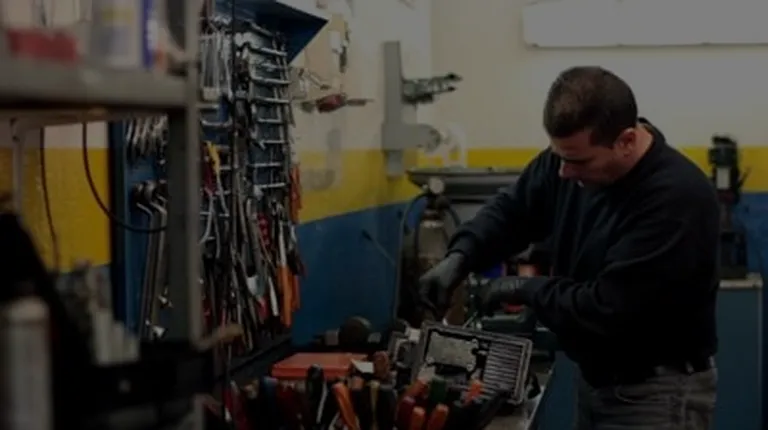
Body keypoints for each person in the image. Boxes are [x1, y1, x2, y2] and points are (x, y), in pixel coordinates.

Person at [419, 66, 720, 429]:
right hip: (596, 381)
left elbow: (608, 309)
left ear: (626, 141)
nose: (563, 172)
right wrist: (461, 255)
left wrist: (526, 288)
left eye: (578, 161)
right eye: (559, 156)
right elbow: (513, 211)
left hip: (655, 393)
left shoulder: (675, 199)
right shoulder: (568, 161)